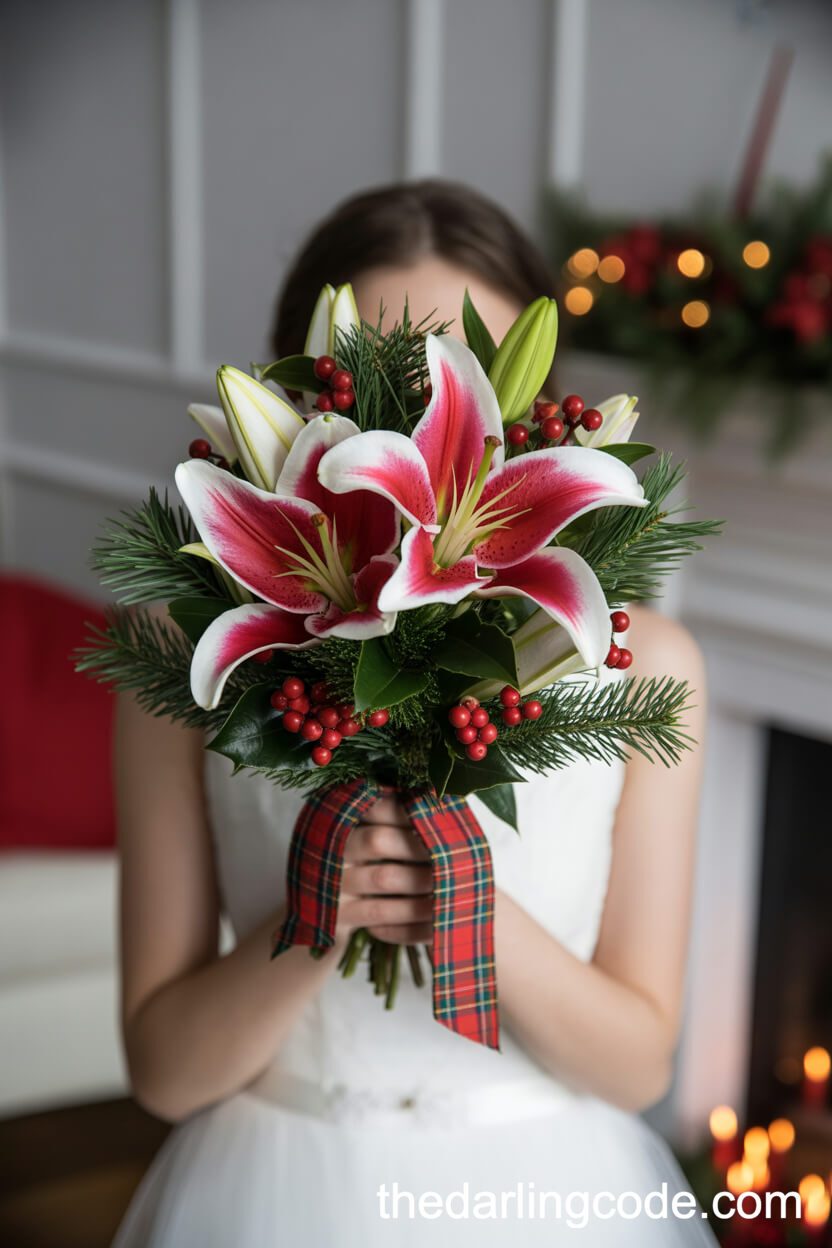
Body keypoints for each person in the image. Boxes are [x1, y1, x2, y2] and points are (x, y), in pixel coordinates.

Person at [111, 179, 715, 1246]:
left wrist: (477, 914)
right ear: (301, 394)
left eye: (455, 377)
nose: (418, 430)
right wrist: (312, 922)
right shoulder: (178, 652)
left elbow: (635, 1066)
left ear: (531, 404)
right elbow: (162, 1074)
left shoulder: (639, 661)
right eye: (376, 387)